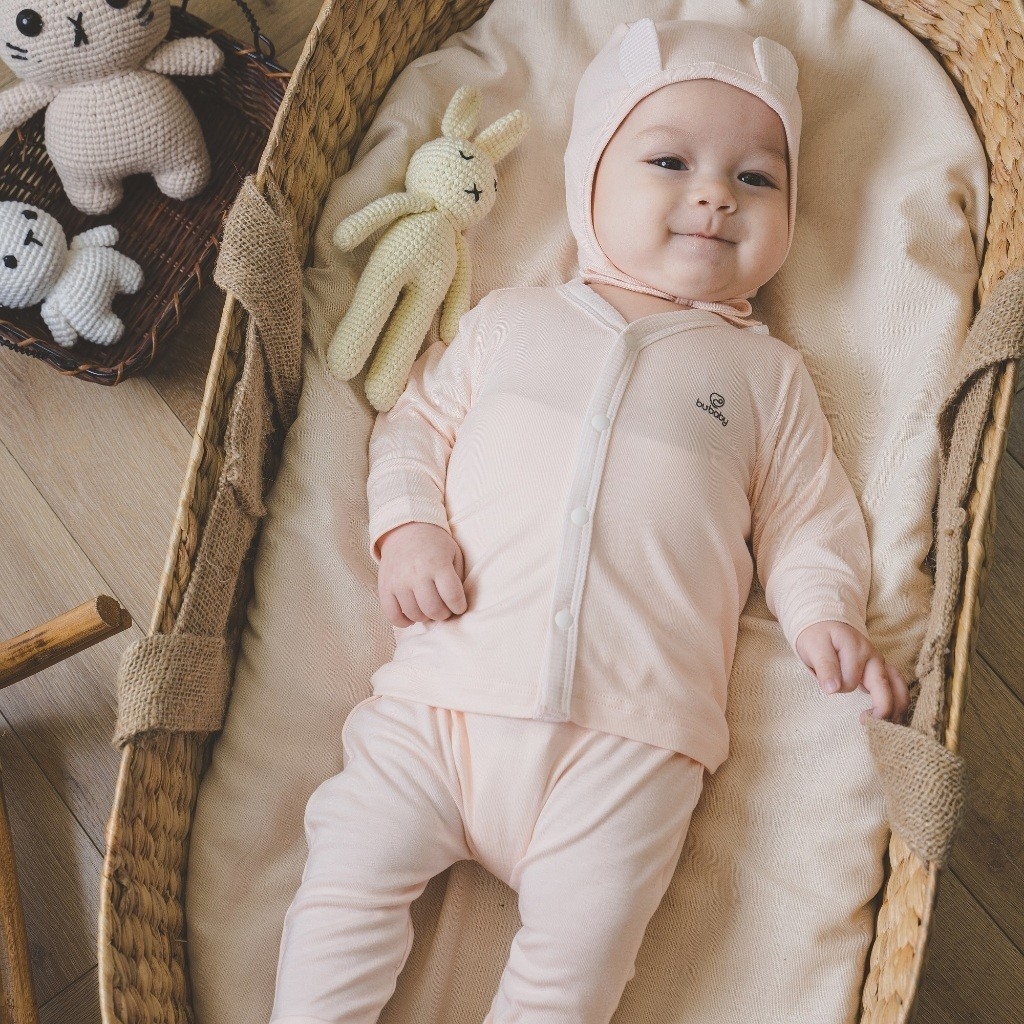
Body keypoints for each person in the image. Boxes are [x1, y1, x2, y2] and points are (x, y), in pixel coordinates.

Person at [270, 18, 910, 1024]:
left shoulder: (767, 376)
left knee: (579, 962)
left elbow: (805, 515)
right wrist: (410, 529)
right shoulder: (507, 322)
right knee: (346, 876)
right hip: (441, 703)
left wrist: (825, 613)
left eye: (756, 178)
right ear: (589, 180)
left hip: (633, 740)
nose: (715, 194)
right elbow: (413, 429)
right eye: (670, 161)